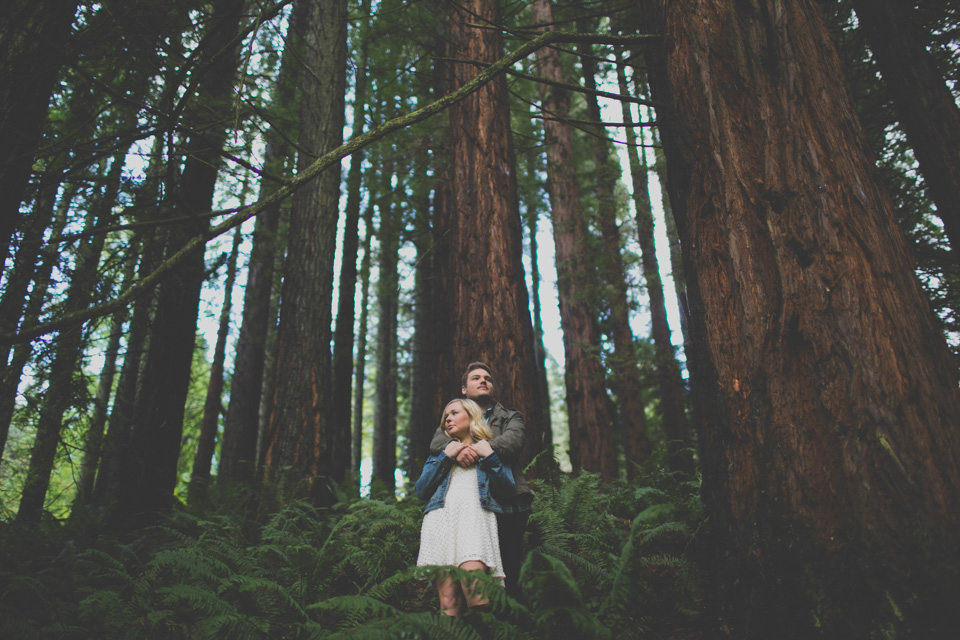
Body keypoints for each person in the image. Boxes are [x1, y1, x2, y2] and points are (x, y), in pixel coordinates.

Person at [428, 362, 533, 599]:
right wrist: (457, 448)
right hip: (470, 506)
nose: (483, 380)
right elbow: (436, 444)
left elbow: (512, 443)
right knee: (468, 566)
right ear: (464, 389)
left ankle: (507, 626)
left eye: (487, 378)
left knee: (507, 570)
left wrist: (472, 450)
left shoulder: (510, 416)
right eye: (475, 378)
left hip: (509, 502)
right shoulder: (453, 417)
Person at [415, 398, 516, 616]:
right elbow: (421, 491)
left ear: (471, 416)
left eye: (453, 413)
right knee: (449, 606)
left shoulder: (490, 451)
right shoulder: (439, 454)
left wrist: (489, 457)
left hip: (475, 523)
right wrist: (446, 456)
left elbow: (508, 490)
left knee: (478, 598)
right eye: (445, 417)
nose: (447, 419)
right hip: (441, 524)